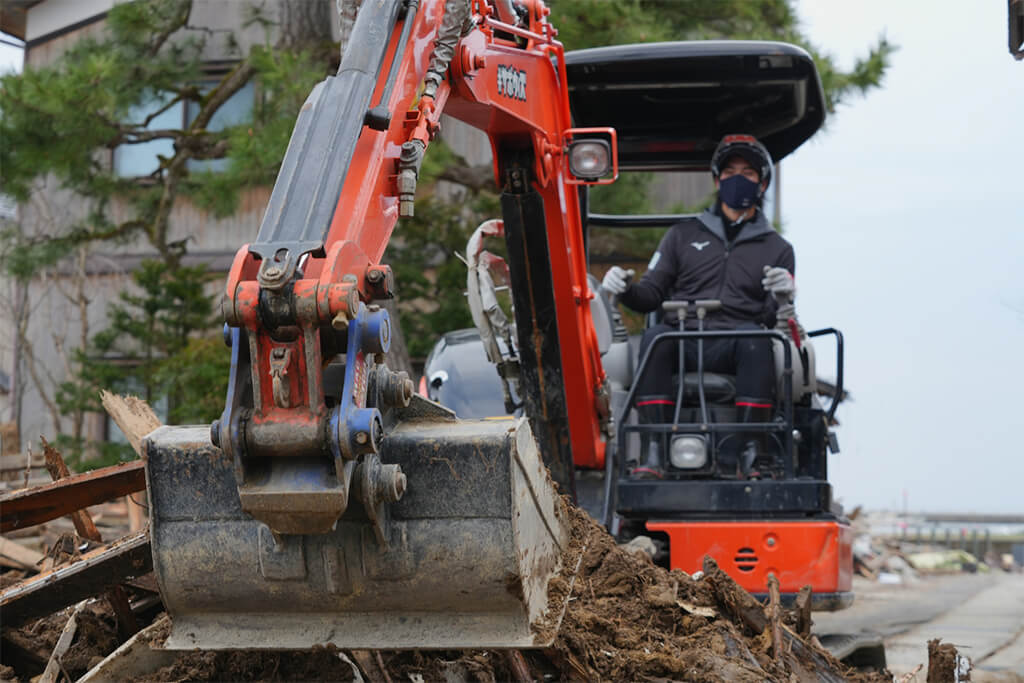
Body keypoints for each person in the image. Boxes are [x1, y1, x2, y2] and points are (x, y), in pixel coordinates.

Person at [601, 134, 796, 477]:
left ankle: (752, 454)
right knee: (656, 338)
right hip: (685, 339)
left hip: (738, 342)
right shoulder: (682, 236)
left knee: (758, 340)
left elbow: (769, 316)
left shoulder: (777, 248)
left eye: (748, 173)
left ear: (762, 183)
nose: (738, 178)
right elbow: (650, 294)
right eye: (730, 171)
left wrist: (783, 298)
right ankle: (654, 453)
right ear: (717, 179)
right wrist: (625, 289)